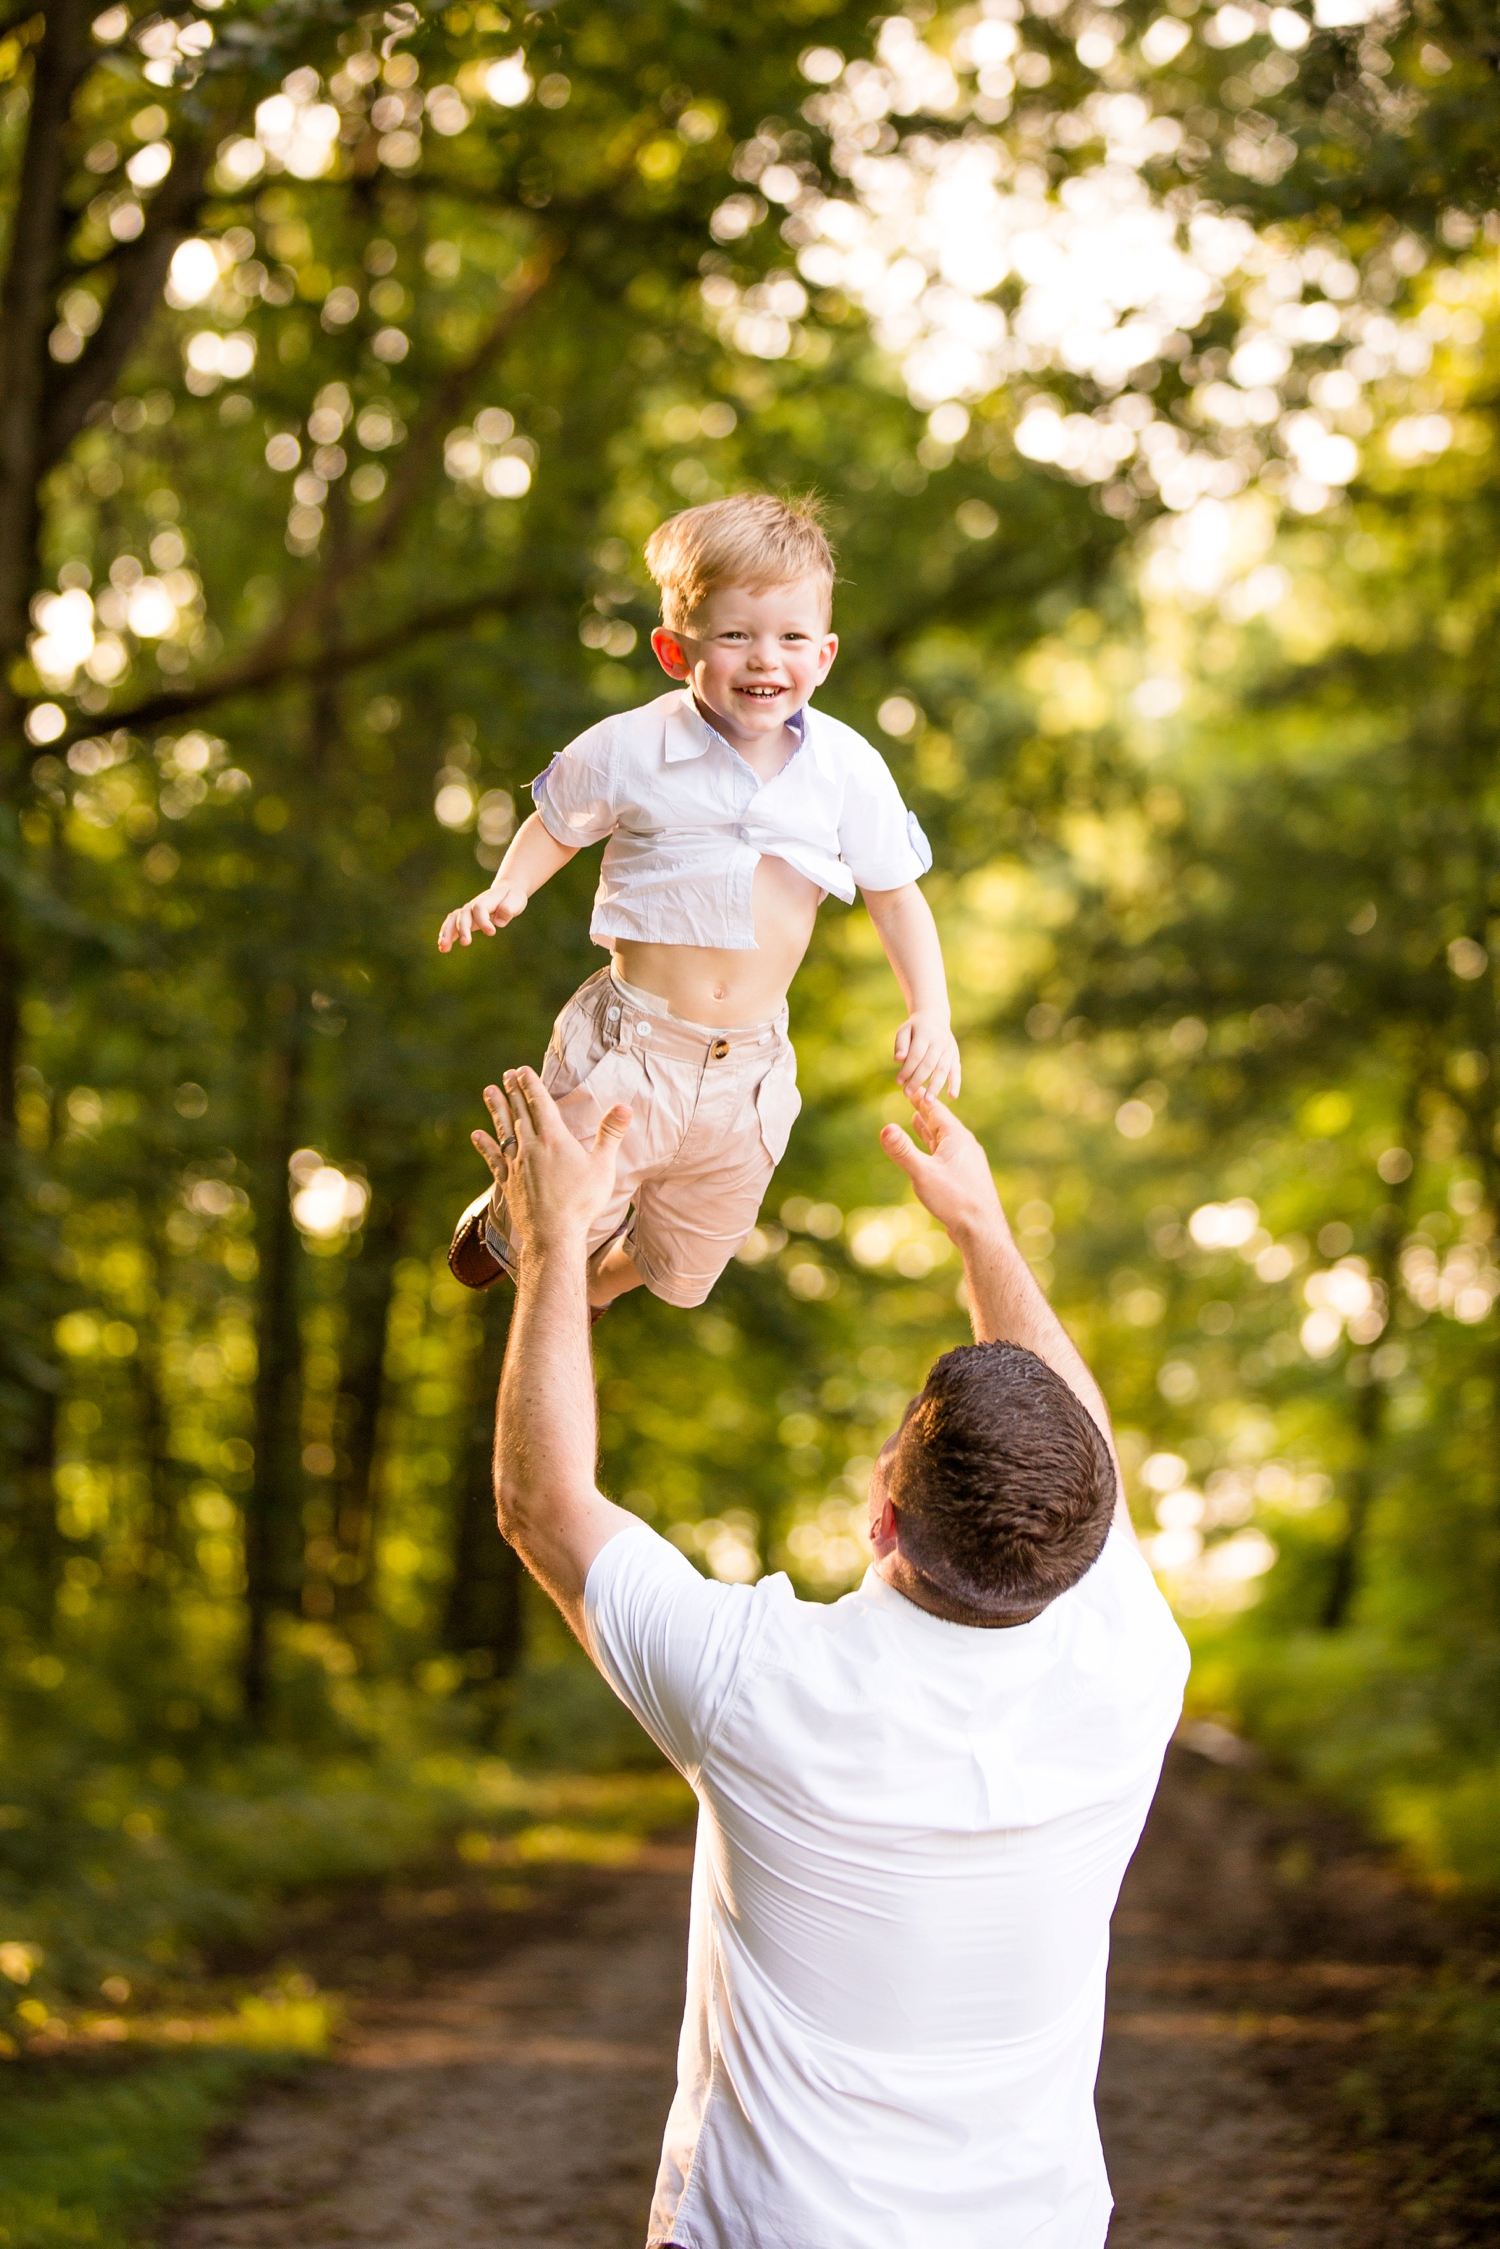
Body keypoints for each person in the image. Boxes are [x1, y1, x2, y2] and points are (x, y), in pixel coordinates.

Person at [473, 1063, 1190, 2249]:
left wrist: (556, 1250)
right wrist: (981, 1231)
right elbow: (1081, 1445)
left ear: (881, 1515)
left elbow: (542, 1503)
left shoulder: (762, 1686)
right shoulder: (1133, 1665)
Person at [438, 492, 958, 1316]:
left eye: (789, 637)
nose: (764, 659)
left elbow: (897, 897)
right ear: (676, 652)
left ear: (824, 655)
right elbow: (556, 822)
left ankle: (596, 1285)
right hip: (631, 1044)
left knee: (686, 1262)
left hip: (749, 1073)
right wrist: (509, 886)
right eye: (735, 636)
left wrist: (931, 1011)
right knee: (558, 1223)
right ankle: (516, 1220)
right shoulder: (630, 746)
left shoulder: (848, 770)